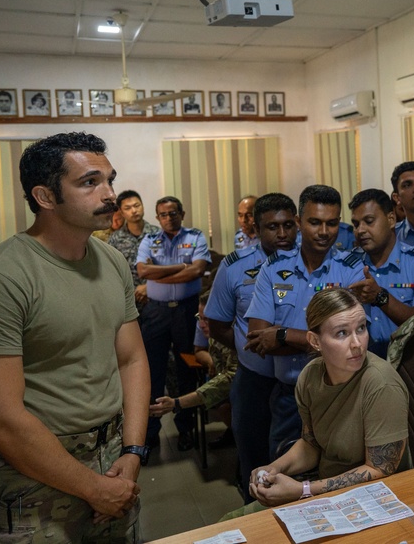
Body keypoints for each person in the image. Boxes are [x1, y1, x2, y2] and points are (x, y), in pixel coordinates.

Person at [0, 132, 149, 543]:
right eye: (89, 182)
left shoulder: (110, 261)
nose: (109, 194)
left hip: (112, 456)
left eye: (109, 180)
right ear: (45, 196)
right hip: (33, 474)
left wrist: (132, 453)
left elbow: (131, 360)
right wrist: (95, 489)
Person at [243, 185, 366, 490]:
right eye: (315, 222)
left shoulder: (350, 270)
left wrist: (284, 334)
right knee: (282, 482)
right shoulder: (274, 268)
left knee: (339, 486)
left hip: (341, 398)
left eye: (333, 223)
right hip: (289, 397)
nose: (325, 232)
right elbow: (259, 339)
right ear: (299, 222)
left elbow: (353, 344)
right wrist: (326, 343)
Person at [248, 288, 409, 507]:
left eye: (361, 328)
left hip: (377, 497)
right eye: (342, 333)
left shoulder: (381, 384)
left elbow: (381, 469)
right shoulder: (311, 375)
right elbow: (311, 444)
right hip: (323, 490)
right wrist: (274, 468)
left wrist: (302, 490)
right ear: (314, 341)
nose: (357, 344)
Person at [205, 192, 299, 502]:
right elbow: (217, 322)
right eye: (272, 227)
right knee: (254, 459)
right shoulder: (234, 267)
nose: (282, 234)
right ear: (256, 230)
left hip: (299, 378)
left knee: (296, 463)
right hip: (254, 380)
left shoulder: (312, 264)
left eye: (288, 225)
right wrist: (248, 349)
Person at [136, 196, 210, 451]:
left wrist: (159, 277)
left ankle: (185, 428)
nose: (169, 218)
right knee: (152, 372)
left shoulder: (196, 236)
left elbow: (197, 270)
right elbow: (143, 272)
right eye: (163, 214)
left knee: (187, 369)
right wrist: (180, 267)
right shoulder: (149, 239)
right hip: (155, 314)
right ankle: (152, 431)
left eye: (173, 213)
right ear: (157, 218)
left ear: (182, 213)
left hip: (186, 312)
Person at [346, 189, 414, 357]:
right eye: (356, 224)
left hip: (408, 360)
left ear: (391, 219)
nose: (360, 230)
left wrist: (380, 297)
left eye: (369, 221)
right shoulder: (350, 264)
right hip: (362, 363)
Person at [150, 291, 237, 433]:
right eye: (199, 318)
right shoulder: (214, 333)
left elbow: (227, 381)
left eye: (207, 320)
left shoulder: (238, 337)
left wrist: (176, 403)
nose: (201, 325)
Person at [108, 190, 159, 310]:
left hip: (155, 299)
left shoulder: (157, 234)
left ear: (142, 206)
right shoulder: (115, 239)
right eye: (128, 208)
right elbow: (111, 271)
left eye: (137, 205)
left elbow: (168, 265)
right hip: (126, 301)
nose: (134, 211)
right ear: (121, 212)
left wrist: (150, 287)